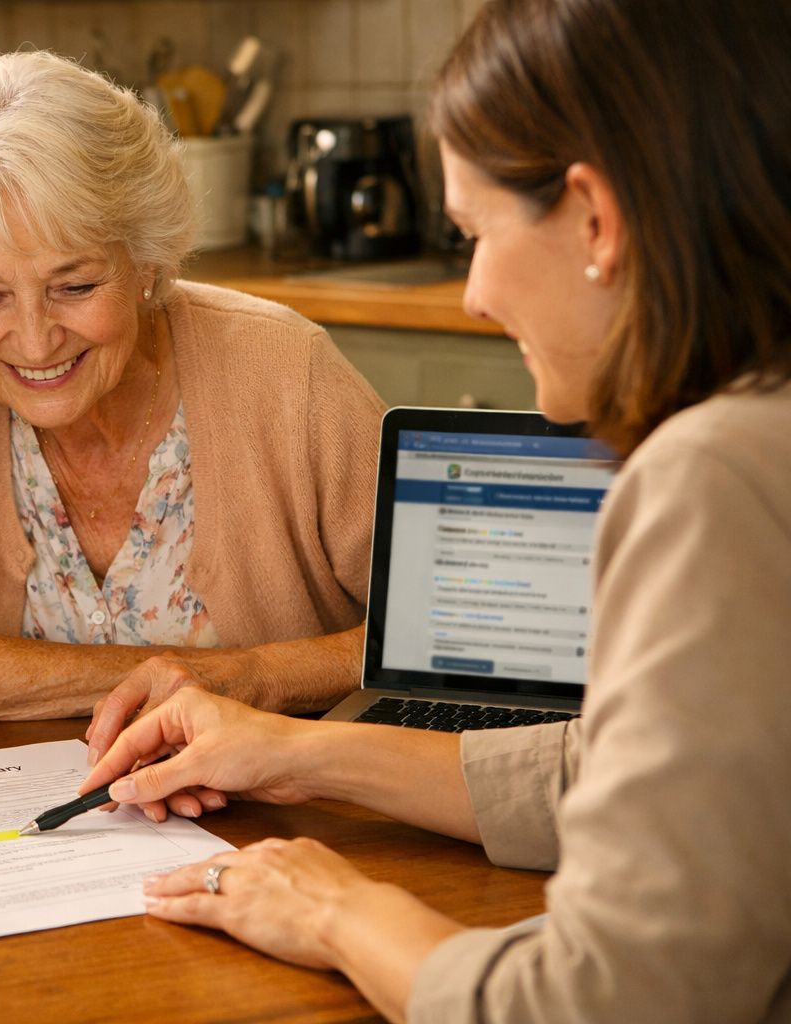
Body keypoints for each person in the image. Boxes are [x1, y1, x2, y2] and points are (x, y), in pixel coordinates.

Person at [80, 0, 791, 1020]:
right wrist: (294, 752)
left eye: (474, 235)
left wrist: (336, 911)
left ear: (596, 219)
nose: (473, 296)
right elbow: (631, 779)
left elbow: (601, 1004)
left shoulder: (713, 478)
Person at [0, 51, 385, 762]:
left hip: (295, 807)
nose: (34, 340)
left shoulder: (284, 371)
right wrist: (180, 680)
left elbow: (459, 630)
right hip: (37, 814)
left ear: (145, 261)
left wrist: (255, 677)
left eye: (75, 286)